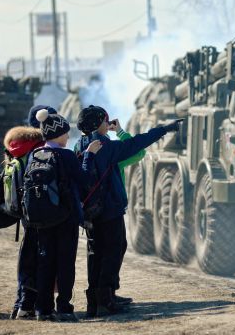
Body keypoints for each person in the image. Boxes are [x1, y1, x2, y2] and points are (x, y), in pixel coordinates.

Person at [74, 105, 181, 317]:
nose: (108, 123)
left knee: (95, 253)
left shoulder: (79, 144)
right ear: (98, 124)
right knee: (114, 250)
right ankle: (106, 300)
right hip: (109, 210)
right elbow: (136, 145)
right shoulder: (105, 145)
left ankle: (95, 300)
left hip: (89, 211)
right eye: (105, 120)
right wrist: (163, 130)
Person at [27, 108, 101, 321]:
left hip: (41, 219)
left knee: (45, 263)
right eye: (66, 133)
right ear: (57, 133)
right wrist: (88, 156)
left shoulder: (36, 154)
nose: (69, 136)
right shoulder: (66, 155)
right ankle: (64, 307)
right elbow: (85, 180)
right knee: (65, 264)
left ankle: (43, 308)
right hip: (65, 218)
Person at [11, 105, 57, 320]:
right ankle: (38, 305)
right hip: (44, 214)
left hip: (25, 213)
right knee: (44, 261)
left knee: (26, 260)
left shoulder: (17, 147)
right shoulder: (44, 148)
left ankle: (21, 304)